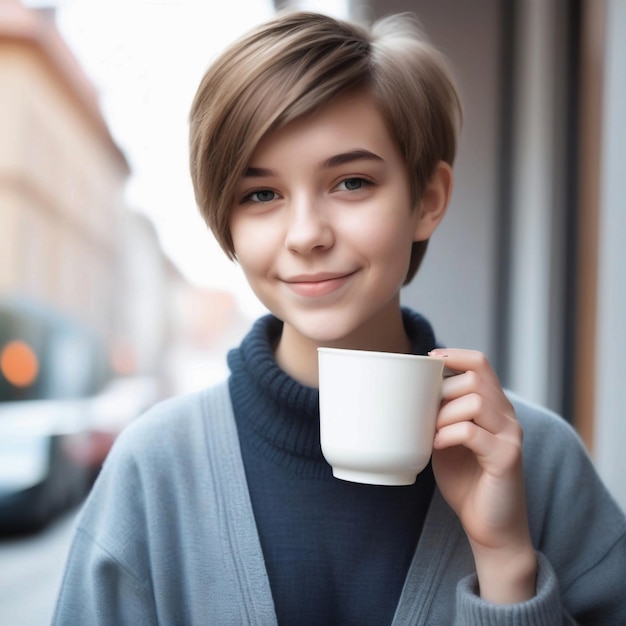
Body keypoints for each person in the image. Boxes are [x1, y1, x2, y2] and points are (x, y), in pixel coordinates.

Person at [53, 10, 626, 625]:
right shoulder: (154, 471)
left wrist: (507, 562)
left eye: (351, 182)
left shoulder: (539, 463)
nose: (306, 235)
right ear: (227, 223)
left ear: (427, 200)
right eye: (261, 195)